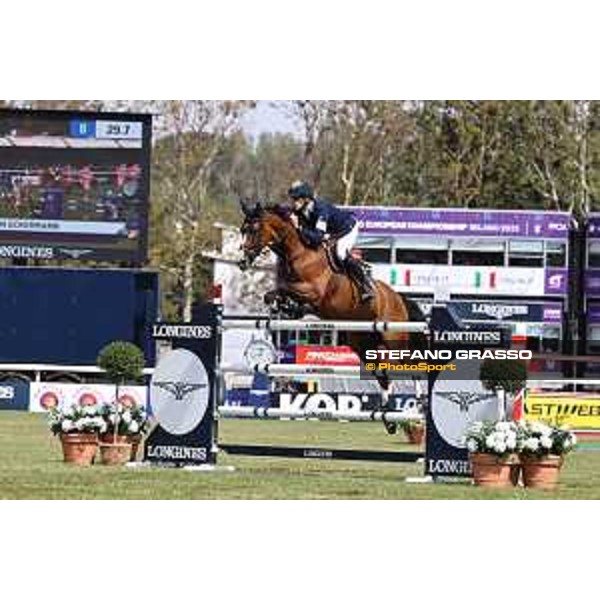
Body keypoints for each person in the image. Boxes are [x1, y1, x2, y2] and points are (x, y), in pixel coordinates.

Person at [288, 180, 374, 303]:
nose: (294, 202)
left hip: (347, 229)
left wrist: (299, 228)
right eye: (293, 199)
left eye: (297, 199)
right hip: (331, 232)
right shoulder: (301, 209)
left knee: (340, 253)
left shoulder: (320, 209)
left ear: (306, 199)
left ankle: (365, 285)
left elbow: (317, 237)